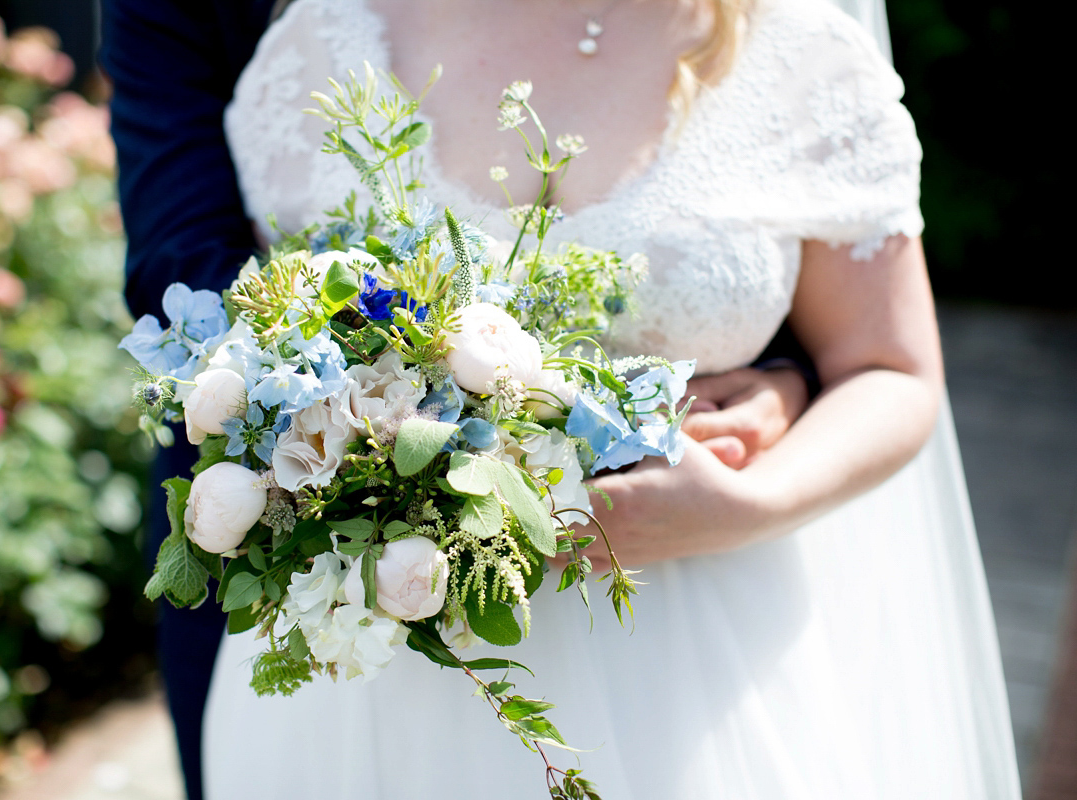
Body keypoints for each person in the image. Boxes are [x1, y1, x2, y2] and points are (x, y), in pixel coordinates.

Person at [193, 0, 1022, 797]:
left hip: (703, 653)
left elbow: (889, 366)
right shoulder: (323, 40)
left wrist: (745, 504)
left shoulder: (797, 51)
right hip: (377, 678)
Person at [98, 1, 812, 797]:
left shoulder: (772, 38)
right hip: (344, 599)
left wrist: (784, 392)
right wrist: (393, 413)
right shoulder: (309, 37)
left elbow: (854, 332)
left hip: (693, 616)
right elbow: (189, 261)